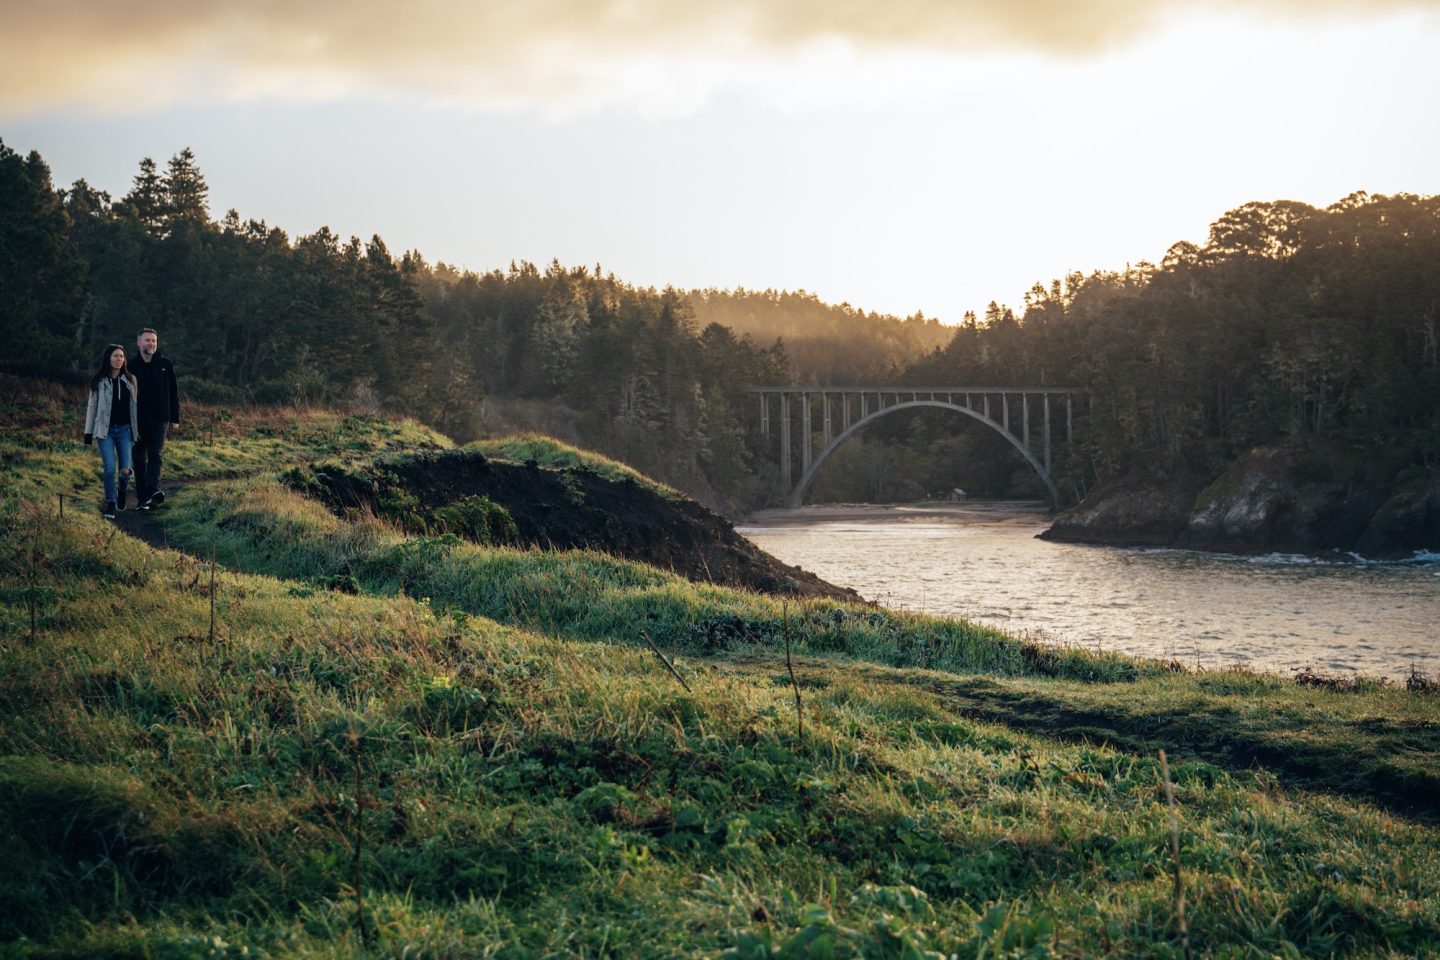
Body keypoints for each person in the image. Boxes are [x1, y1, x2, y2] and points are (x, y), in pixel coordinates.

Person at [83, 344, 140, 518]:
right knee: (109, 468)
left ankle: (122, 488)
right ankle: (110, 502)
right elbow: (92, 407)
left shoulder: (131, 380)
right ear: (108, 358)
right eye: (116, 356)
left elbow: (135, 407)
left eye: (122, 356)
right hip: (105, 431)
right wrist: (88, 434)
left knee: (125, 469)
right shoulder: (99, 381)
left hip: (125, 431)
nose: (119, 359)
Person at [130, 327, 180, 510]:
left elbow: (173, 392)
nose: (151, 343)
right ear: (139, 343)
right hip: (136, 419)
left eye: (153, 340)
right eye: (147, 340)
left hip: (160, 418)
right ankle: (142, 498)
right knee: (138, 457)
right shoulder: (131, 365)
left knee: (155, 454)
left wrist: (175, 417)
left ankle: (152, 491)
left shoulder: (165, 364)